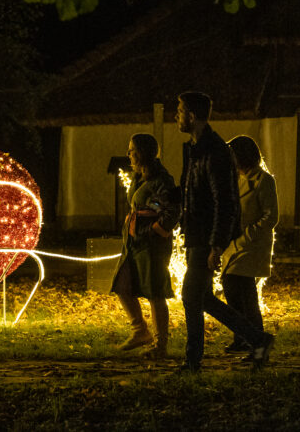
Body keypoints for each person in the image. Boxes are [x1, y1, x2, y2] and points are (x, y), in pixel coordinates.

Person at [176, 91, 275, 372]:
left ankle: (193, 359)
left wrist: (217, 245)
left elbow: (225, 201)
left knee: (191, 295)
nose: (176, 116)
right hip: (197, 235)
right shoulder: (196, 150)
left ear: (192, 116)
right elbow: (193, 194)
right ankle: (258, 339)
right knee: (202, 297)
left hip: (205, 239)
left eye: (180, 111)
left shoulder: (215, 152)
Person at [110, 133, 180, 359]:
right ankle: (140, 331)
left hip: (151, 245)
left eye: (131, 150)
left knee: (155, 291)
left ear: (142, 152)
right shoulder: (140, 177)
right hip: (133, 242)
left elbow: (170, 212)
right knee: (122, 285)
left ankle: (161, 344)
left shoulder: (162, 180)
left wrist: (152, 231)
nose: (128, 154)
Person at [221, 135, 279, 355]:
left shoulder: (264, 180)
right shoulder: (237, 179)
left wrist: (247, 234)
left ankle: (255, 341)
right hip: (236, 244)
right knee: (235, 291)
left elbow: (270, 216)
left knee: (242, 291)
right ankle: (245, 338)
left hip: (250, 246)